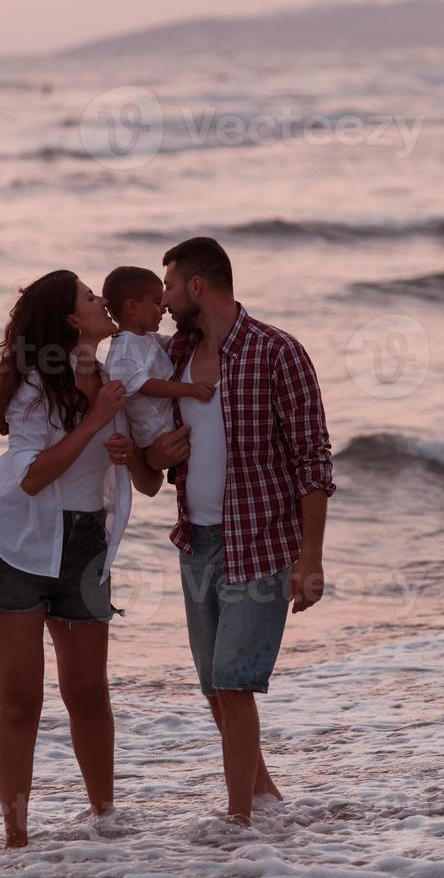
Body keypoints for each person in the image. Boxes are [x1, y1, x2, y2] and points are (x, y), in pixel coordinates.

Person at [0, 269, 163, 847]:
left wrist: (141, 456)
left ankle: (106, 822)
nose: (101, 300)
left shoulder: (115, 380)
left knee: (88, 694)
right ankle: (16, 838)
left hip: (84, 547)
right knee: (22, 700)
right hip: (18, 544)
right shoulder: (36, 384)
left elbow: (148, 484)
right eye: (87, 296)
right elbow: (32, 478)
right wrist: (97, 420)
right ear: (73, 321)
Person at [158, 237, 337, 826]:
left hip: (260, 545)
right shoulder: (175, 357)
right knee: (214, 685)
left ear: (198, 287)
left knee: (234, 684)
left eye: (169, 286)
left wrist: (309, 558)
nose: (163, 299)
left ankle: (238, 824)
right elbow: (149, 433)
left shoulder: (277, 352)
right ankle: (264, 796)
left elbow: (313, 460)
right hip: (197, 542)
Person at [102, 265, 216, 451]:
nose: (163, 307)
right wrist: (190, 389)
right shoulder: (124, 352)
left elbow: (173, 343)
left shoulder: (144, 337)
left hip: (166, 424)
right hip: (156, 432)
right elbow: (146, 386)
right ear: (132, 307)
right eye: (156, 302)